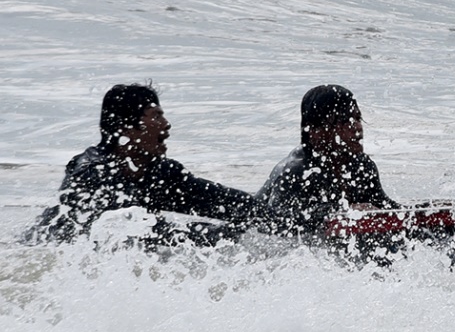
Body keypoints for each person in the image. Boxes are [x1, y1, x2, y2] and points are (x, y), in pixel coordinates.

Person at [30, 83, 264, 244]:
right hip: (48, 257)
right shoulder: (93, 175)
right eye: (156, 116)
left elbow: (233, 204)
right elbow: (143, 233)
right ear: (126, 128)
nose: (166, 124)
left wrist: (278, 222)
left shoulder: (160, 173)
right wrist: (220, 235)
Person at [258, 84, 398, 233]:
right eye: (345, 121)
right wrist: (344, 209)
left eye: (357, 118)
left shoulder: (362, 166)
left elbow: (384, 207)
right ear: (315, 131)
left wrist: (422, 212)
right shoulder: (297, 172)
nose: (357, 127)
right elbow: (278, 221)